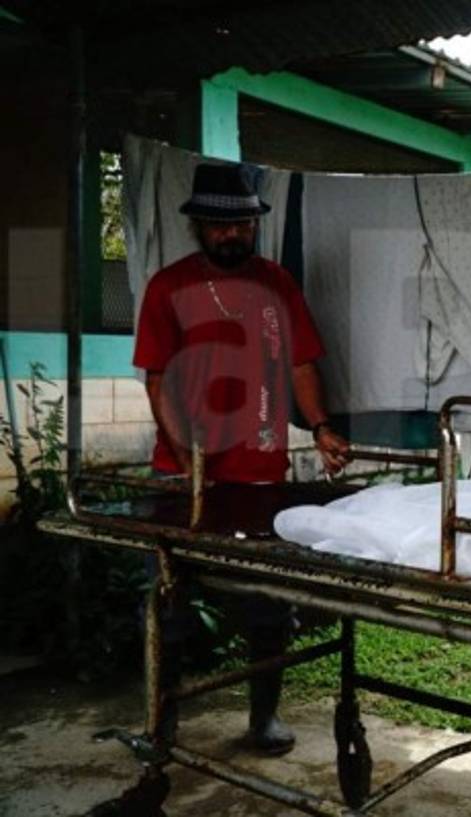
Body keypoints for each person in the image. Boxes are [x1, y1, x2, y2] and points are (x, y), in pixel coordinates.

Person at [133, 162, 350, 755]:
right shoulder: (167, 288)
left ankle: (262, 720)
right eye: (220, 227)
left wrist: (322, 428)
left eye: (243, 228)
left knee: (267, 604)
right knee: (166, 603)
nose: (233, 237)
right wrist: (187, 458)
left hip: (258, 474)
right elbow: (157, 382)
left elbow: (302, 364)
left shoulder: (278, 285)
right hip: (180, 477)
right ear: (199, 226)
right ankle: (161, 725)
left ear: (255, 226)